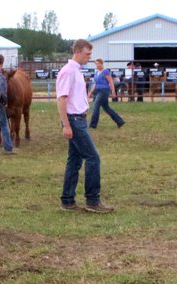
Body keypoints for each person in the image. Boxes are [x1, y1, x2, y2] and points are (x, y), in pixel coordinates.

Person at [56, 39, 115, 214]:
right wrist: (66, 125)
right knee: (93, 158)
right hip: (74, 121)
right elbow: (61, 99)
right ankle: (92, 200)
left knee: (74, 160)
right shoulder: (69, 72)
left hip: (77, 119)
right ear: (78, 52)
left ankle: (68, 200)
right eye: (87, 54)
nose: (89, 58)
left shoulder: (75, 71)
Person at [89, 58, 125, 129]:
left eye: (98, 64)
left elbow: (111, 81)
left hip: (104, 91)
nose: (97, 65)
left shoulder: (105, 72)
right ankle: (119, 121)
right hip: (98, 91)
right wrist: (90, 92)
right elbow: (95, 84)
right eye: (96, 64)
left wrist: (113, 91)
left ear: (102, 64)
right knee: (106, 108)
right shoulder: (96, 73)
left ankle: (93, 125)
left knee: (96, 106)